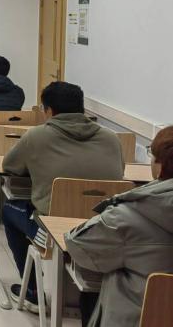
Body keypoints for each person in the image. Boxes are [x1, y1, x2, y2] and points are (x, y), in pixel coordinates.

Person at [2, 81, 124, 312]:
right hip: (104, 230)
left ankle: (33, 293)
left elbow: (10, 166)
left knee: (9, 209)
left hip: (52, 234)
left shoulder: (36, 136)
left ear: (48, 110)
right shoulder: (112, 139)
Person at [65, 126, 173, 327]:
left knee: (99, 285)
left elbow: (78, 246)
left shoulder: (126, 217)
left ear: (161, 165)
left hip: (137, 319)